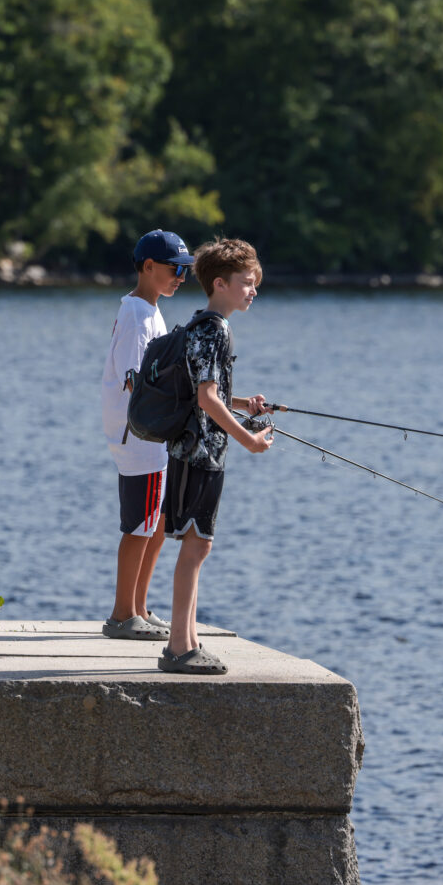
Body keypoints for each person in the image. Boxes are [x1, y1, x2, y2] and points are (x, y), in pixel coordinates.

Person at [159, 238, 272, 675]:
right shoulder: (215, 330)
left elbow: (206, 393)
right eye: (247, 282)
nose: (253, 290)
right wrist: (248, 439)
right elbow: (206, 399)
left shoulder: (202, 323)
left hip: (198, 450)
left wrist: (243, 404)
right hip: (198, 452)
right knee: (196, 546)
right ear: (220, 284)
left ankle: (185, 640)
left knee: (197, 545)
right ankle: (178, 648)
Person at [100, 229, 193, 640]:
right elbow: (136, 382)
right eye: (175, 270)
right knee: (139, 524)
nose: (180, 278)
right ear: (148, 266)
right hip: (139, 436)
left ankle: (138, 607)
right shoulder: (138, 315)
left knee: (155, 523)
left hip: (150, 436)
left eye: (186, 272)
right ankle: (122, 615)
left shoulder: (148, 310)